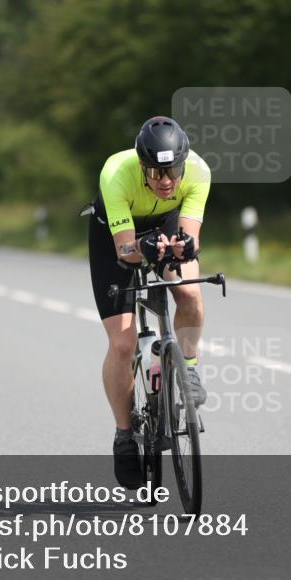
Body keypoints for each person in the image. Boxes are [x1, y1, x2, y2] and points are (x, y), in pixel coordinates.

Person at [86, 116, 211, 489]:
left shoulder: (199, 172)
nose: (166, 180)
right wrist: (143, 246)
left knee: (189, 292)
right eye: (156, 172)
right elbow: (125, 250)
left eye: (173, 171)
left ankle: (188, 367)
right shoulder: (116, 173)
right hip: (117, 238)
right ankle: (124, 435)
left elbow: (189, 237)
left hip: (164, 225)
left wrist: (184, 247)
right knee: (122, 344)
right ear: (142, 166)